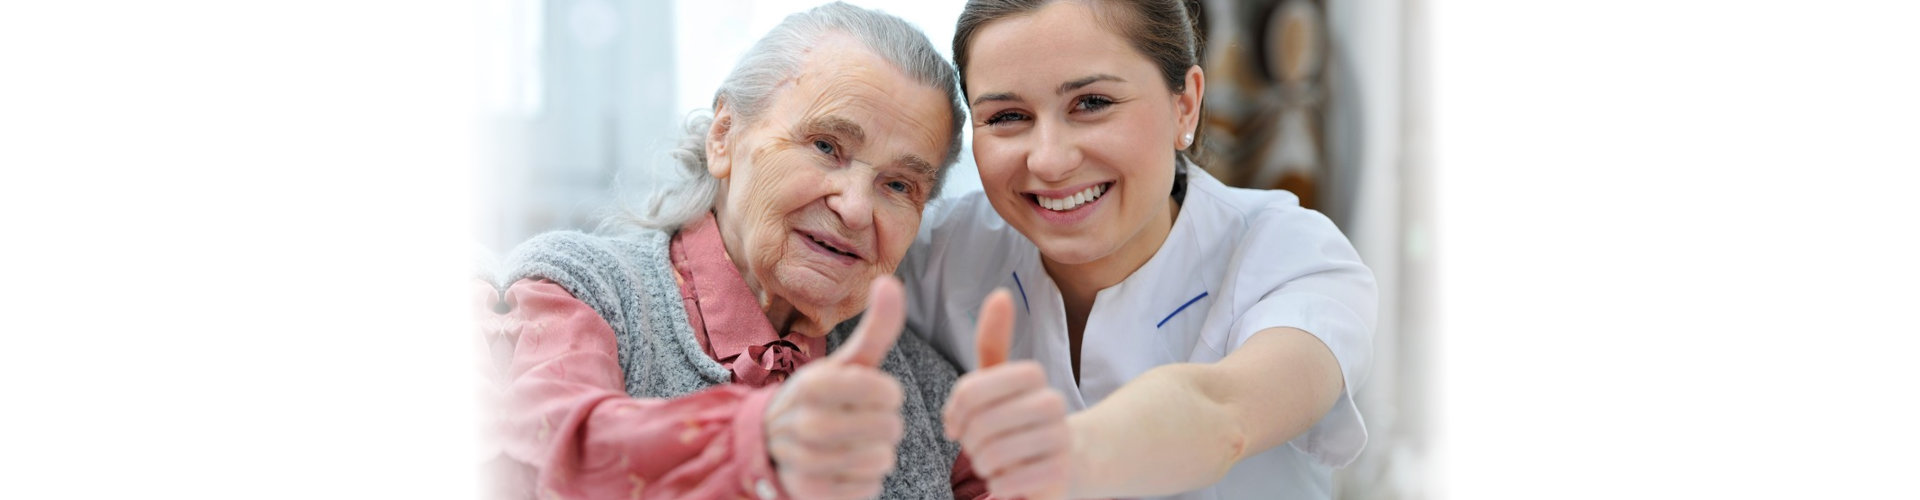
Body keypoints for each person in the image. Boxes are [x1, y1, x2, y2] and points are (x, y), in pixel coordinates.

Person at [474, 3, 981, 499]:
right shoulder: (585, 290)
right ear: (723, 137)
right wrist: (760, 441)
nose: (855, 208)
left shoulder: (927, 387)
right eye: (826, 146)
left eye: (898, 185)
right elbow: (547, 457)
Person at [901, 0, 1378, 498]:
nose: (1050, 160)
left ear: (1185, 105)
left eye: (1092, 103)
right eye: (1008, 116)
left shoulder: (1291, 254)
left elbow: (1224, 413)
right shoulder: (936, 254)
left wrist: (1061, 461)